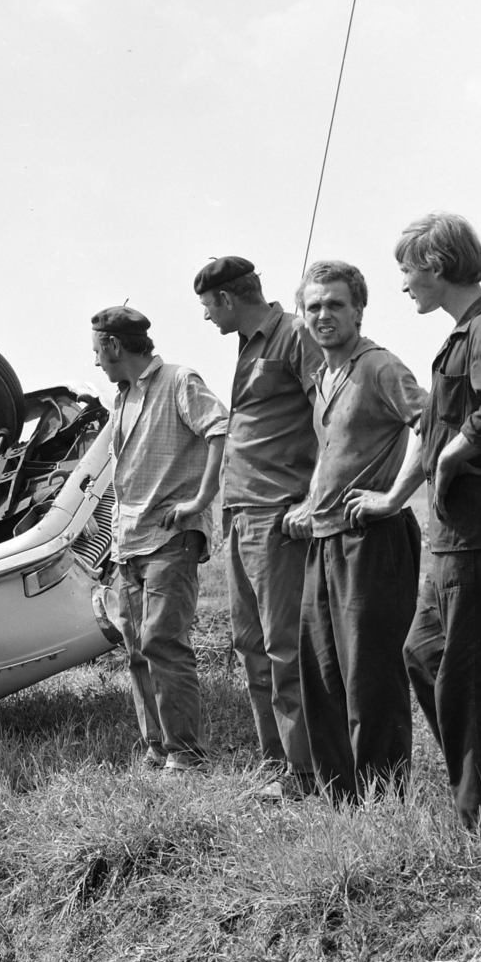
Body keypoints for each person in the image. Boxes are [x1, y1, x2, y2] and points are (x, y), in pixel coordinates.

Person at [365, 214, 481, 829]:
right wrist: (395, 499)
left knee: (468, 676)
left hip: (479, 532)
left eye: (406, 269)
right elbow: (435, 430)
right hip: (456, 536)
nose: (403, 284)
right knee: (425, 654)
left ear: (437, 267)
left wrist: (454, 451)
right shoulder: (465, 334)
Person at [282, 261, 425, 805]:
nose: (323, 315)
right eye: (313, 306)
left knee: (370, 679)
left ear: (359, 310)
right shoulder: (323, 377)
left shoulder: (379, 366)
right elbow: (331, 453)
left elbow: (430, 425)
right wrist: (308, 502)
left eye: (335, 304)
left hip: (373, 541)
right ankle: (344, 803)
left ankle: (384, 804)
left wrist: (392, 498)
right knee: (322, 676)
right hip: (324, 540)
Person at [196, 255, 322, 799]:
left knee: (285, 648)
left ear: (226, 299)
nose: (205, 318)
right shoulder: (248, 346)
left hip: (276, 516)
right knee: (251, 646)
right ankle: (277, 767)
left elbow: (328, 413)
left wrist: (314, 498)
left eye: (206, 306)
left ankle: (306, 772)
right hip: (241, 517)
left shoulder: (295, 335)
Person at [92, 306, 228, 773]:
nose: (96, 363)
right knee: (135, 649)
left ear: (113, 345)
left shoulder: (178, 380)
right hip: (129, 542)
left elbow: (220, 429)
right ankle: (157, 749)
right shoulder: (121, 397)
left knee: (163, 643)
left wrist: (201, 499)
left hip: (170, 537)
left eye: (97, 351)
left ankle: (186, 757)